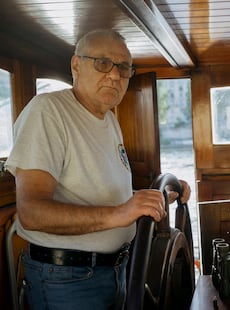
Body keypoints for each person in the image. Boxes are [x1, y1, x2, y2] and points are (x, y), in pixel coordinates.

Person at [5, 29, 191, 309]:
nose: (115, 75)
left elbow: (104, 193)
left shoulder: (108, 120)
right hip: (67, 280)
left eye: (124, 67)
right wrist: (121, 213)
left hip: (115, 271)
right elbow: (31, 212)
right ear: (76, 66)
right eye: (102, 63)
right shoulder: (48, 112)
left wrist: (153, 198)